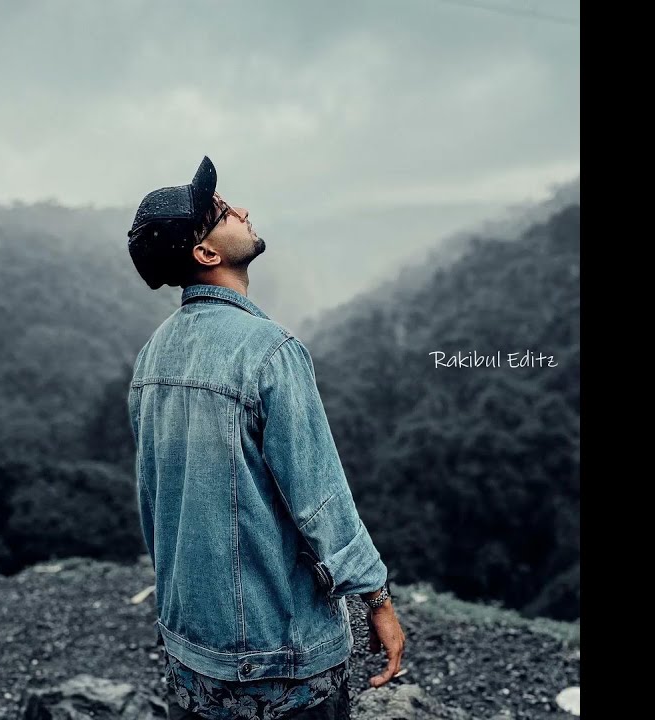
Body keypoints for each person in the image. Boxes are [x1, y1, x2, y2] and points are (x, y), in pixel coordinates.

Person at [126, 157, 406, 719]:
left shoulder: (151, 358)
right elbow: (319, 498)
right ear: (206, 254)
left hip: (191, 651)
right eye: (223, 211)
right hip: (282, 654)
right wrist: (375, 596)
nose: (243, 209)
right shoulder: (269, 352)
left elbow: (153, 502)